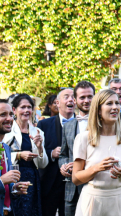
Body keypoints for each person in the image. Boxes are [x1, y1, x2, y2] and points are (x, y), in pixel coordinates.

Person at [72, 89, 121, 216]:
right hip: (92, 200)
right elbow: (76, 179)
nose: (115, 107)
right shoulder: (83, 138)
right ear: (98, 110)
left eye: (117, 103)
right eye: (109, 104)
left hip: (119, 200)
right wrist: (96, 168)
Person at [5, 94, 49, 216]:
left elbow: (43, 164)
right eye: (22, 107)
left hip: (32, 178)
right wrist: (19, 155)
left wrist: (40, 147)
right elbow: (1, 155)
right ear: (14, 110)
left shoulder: (38, 132)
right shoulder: (7, 131)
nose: (26, 110)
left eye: (29, 107)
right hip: (13, 176)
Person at [38, 88, 75, 216]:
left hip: (74, 182)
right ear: (57, 103)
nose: (71, 99)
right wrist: (51, 153)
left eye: (73, 97)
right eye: (66, 97)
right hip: (50, 182)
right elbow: (39, 151)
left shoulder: (83, 125)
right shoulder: (43, 124)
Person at [60, 81, 95, 216]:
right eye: (82, 97)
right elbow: (63, 154)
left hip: (94, 186)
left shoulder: (104, 124)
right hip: (71, 190)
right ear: (75, 100)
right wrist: (63, 165)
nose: (86, 101)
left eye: (89, 97)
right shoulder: (68, 126)